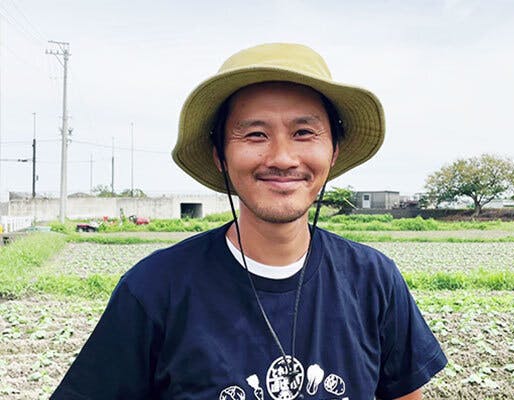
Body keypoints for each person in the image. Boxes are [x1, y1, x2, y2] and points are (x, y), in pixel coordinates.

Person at [52, 43, 446, 400]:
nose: (282, 158)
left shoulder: (375, 282)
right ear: (220, 156)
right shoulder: (154, 290)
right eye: (256, 134)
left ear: (334, 151)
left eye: (304, 132)